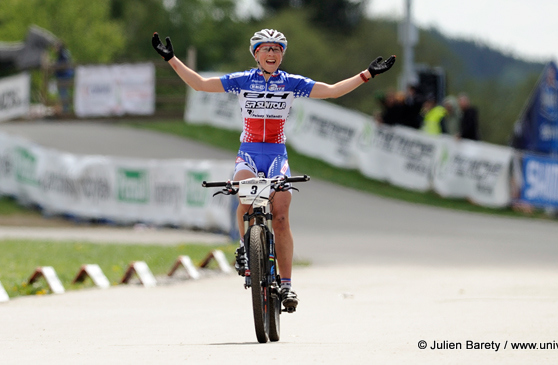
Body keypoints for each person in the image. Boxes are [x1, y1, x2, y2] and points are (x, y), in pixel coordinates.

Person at [152, 29, 395, 312]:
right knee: (244, 196)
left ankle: (288, 285)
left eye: (277, 49)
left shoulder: (291, 83)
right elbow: (200, 84)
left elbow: (330, 91)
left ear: (282, 55)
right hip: (249, 154)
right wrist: (171, 59)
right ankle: (245, 248)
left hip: (277, 156)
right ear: (256, 54)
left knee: (280, 215)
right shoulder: (243, 80)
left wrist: (367, 74)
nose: (272, 54)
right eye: (266, 49)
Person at [54, 42, 74, 115]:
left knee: (64, 93)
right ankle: (65, 109)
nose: (55, 49)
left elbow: (63, 64)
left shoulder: (63, 54)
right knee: (63, 93)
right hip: (64, 75)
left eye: (56, 47)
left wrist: (56, 66)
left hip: (64, 76)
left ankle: (66, 111)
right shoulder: (63, 54)